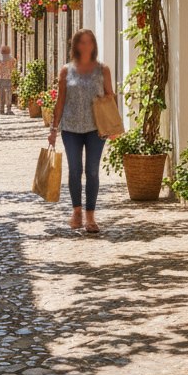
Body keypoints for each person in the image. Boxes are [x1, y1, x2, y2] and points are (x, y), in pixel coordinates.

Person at [47, 29, 115, 234]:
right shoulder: (66, 71)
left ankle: (90, 216)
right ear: (75, 45)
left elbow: (110, 97)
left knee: (92, 171)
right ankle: (76, 211)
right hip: (71, 128)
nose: (86, 46)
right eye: (82, 42)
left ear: (94, 45)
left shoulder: (103, 70)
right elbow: (60, 101)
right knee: (75, 170)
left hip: (96, 129)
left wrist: (114, 126)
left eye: (89, 42)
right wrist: (53, 129)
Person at [0, 44, 18, 115]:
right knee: (9, 94)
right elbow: (14, 68)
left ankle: (1, 110)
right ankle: (8, 110)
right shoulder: (12, 59)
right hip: (9, 78)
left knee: (1, 94)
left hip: (0, 78)